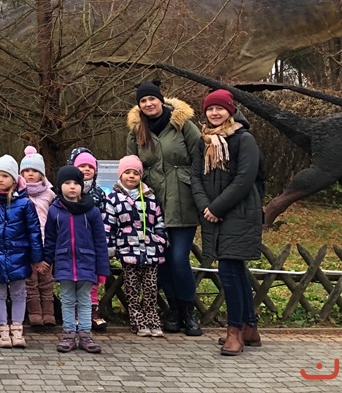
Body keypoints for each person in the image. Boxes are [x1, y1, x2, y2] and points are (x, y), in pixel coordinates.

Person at [125, 80, 203, 336]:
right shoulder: (136, 131)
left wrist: (197, 190)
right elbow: (131, 168)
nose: (148, 104)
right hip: (152, 205)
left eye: (152, 99)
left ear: (161, 99)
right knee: (162, 261)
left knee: (179, 259)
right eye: (143, 101)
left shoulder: (183, 125)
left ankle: (188, 311)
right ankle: (173, 310)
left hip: (182, 201)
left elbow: (200, 159)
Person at [191, 88, 263, 356]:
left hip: (240, 212)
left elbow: (245, 178)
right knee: (235, 270)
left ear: (230, 111)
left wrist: (217, 207)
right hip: (213, 212)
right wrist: (205, 207)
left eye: (219, 108)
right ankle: (249, 327)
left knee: (230, 271)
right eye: (210, 108)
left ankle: (235, 332)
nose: (214, 113)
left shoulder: (244, 139)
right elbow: (195, 176)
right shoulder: (204, 141)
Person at [0, 154, 45, 349]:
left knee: (19, 292)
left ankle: (17, 327)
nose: (0, 179)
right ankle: (2, 328)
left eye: (5, 176)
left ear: (13, 179)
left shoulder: (24, 203)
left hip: (18, 254)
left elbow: (33, 231)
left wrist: (36, 257)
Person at [44, 165, 109, 353]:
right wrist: (46, 260)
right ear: (59, 186)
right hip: (64, 261)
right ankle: (68, 334)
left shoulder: (92, 211)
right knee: (67, 299)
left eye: (76, 183)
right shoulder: (54, 211)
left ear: (82, 186)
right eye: (67, 183)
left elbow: (100, 241)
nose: (72, 187)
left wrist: (102, 269)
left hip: (87, 262)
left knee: (85, 299)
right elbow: (50, 239)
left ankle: (86, 335)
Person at [103, 155, 167, 337]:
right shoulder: (113, 199)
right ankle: (137, 321)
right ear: (120, 175)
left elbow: (159, 221)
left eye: (135, 173)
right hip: (128, 249)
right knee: (132, 287)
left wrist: (161, 239)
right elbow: (108, 225)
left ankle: (152, 318)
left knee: (151, 288)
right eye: (127, 172)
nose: (131, 176)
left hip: (150, 250)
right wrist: (110, 247)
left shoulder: (150, 197)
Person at [68, 147, 108, 332]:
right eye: (82, 166)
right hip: (72, 242)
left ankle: (92, 312)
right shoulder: (67, 191)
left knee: (91, 279)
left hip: (92, 243)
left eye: (90, 166)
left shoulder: (99, 193)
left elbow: (106, 217)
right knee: (73, 278)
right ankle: (75, 313)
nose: (86, 169)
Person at [20, 146, 56, 326]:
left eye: (34, 171)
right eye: (26, 171)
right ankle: (34, 312)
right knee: (30, 280)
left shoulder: (50, 194)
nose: (30, 174)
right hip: (26, 243)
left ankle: (48, 312)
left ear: (41, 173)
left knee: (46, 279)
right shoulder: (19, 193)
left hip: (45, 242)